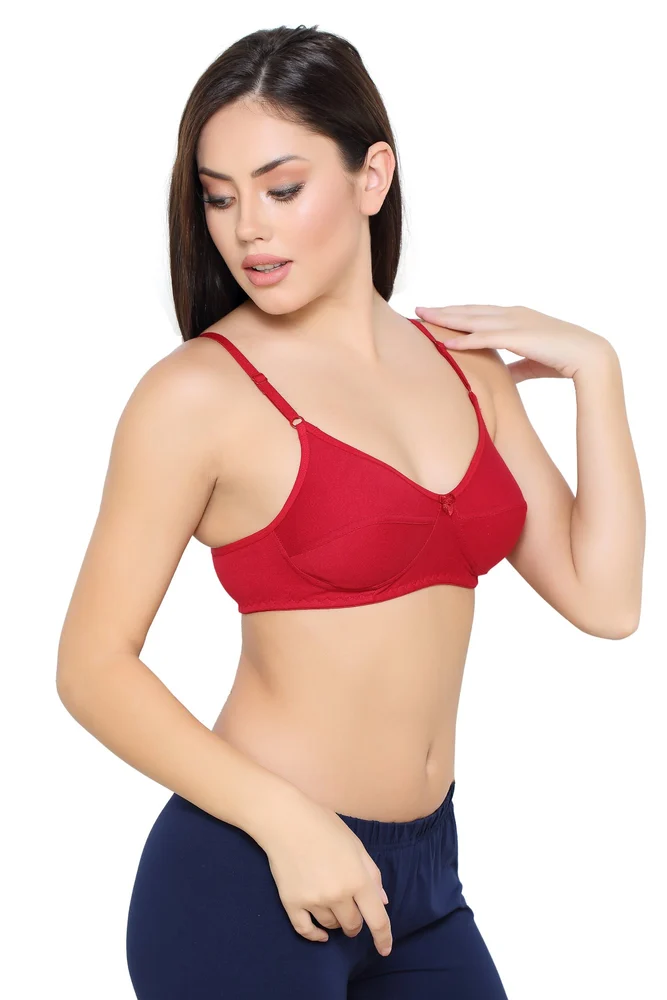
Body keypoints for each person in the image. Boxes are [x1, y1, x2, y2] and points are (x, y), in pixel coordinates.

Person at [55, 23, 645, 1000]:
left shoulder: (465, 369)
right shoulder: (197, 395)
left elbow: (605, 599)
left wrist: (598, 370)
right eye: (219, 196)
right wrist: (286, 822)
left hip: (426, 883)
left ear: (372, 177)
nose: (247, 229)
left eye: (281, 189)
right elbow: (91, 666)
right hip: (253, 874)